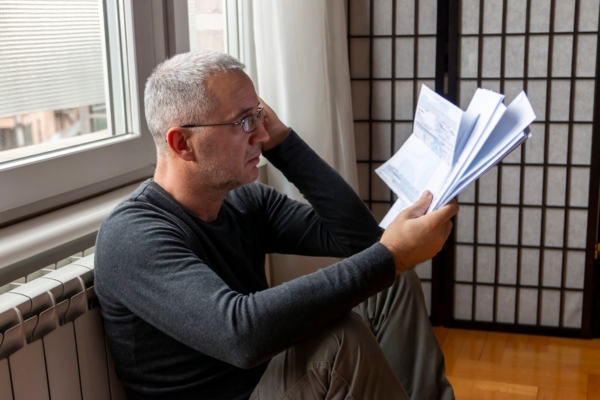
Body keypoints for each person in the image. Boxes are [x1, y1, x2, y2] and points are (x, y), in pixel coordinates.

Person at [94, 50, 459, 400]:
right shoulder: (133, 236)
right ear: (183, 144)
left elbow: (361, 241)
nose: (262, 136)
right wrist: (390, 255)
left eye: (259, 117)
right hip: (244, 388)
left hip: (268, 380)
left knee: (391, 283)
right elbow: (241, 335)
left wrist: (284, 142)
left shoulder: (244, 203)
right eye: (244, 122)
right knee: (340, 340)